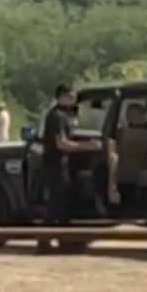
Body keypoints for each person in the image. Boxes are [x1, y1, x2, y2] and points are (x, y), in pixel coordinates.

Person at [37, 83, 102, 252]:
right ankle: (44, 242)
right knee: (56, 204)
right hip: (55, 165)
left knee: (63, 202)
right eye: (72, 96)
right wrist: (88, 147)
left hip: (61, 165)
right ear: (62, 96)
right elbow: (62, 144)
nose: (74, 99)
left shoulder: (64, 115)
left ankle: (65, 240)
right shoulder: (57, 116)